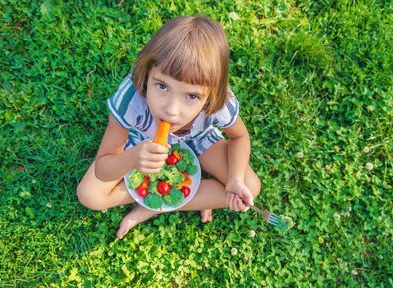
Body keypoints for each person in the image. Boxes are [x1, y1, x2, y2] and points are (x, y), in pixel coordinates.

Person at [77, 16, 261, 239]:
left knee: (249, 187)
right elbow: (102, 167)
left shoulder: (219, 104)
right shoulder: (132, 100)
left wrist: (234, 180)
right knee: (89, 195)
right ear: (147, 75)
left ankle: (150, 207)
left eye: (192, 96)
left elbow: (240, 138)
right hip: (140, 140)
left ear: (211, 94)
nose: (172, 110)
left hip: (199, 139)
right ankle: (164, 198)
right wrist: (132, 159)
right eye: (162, 86)